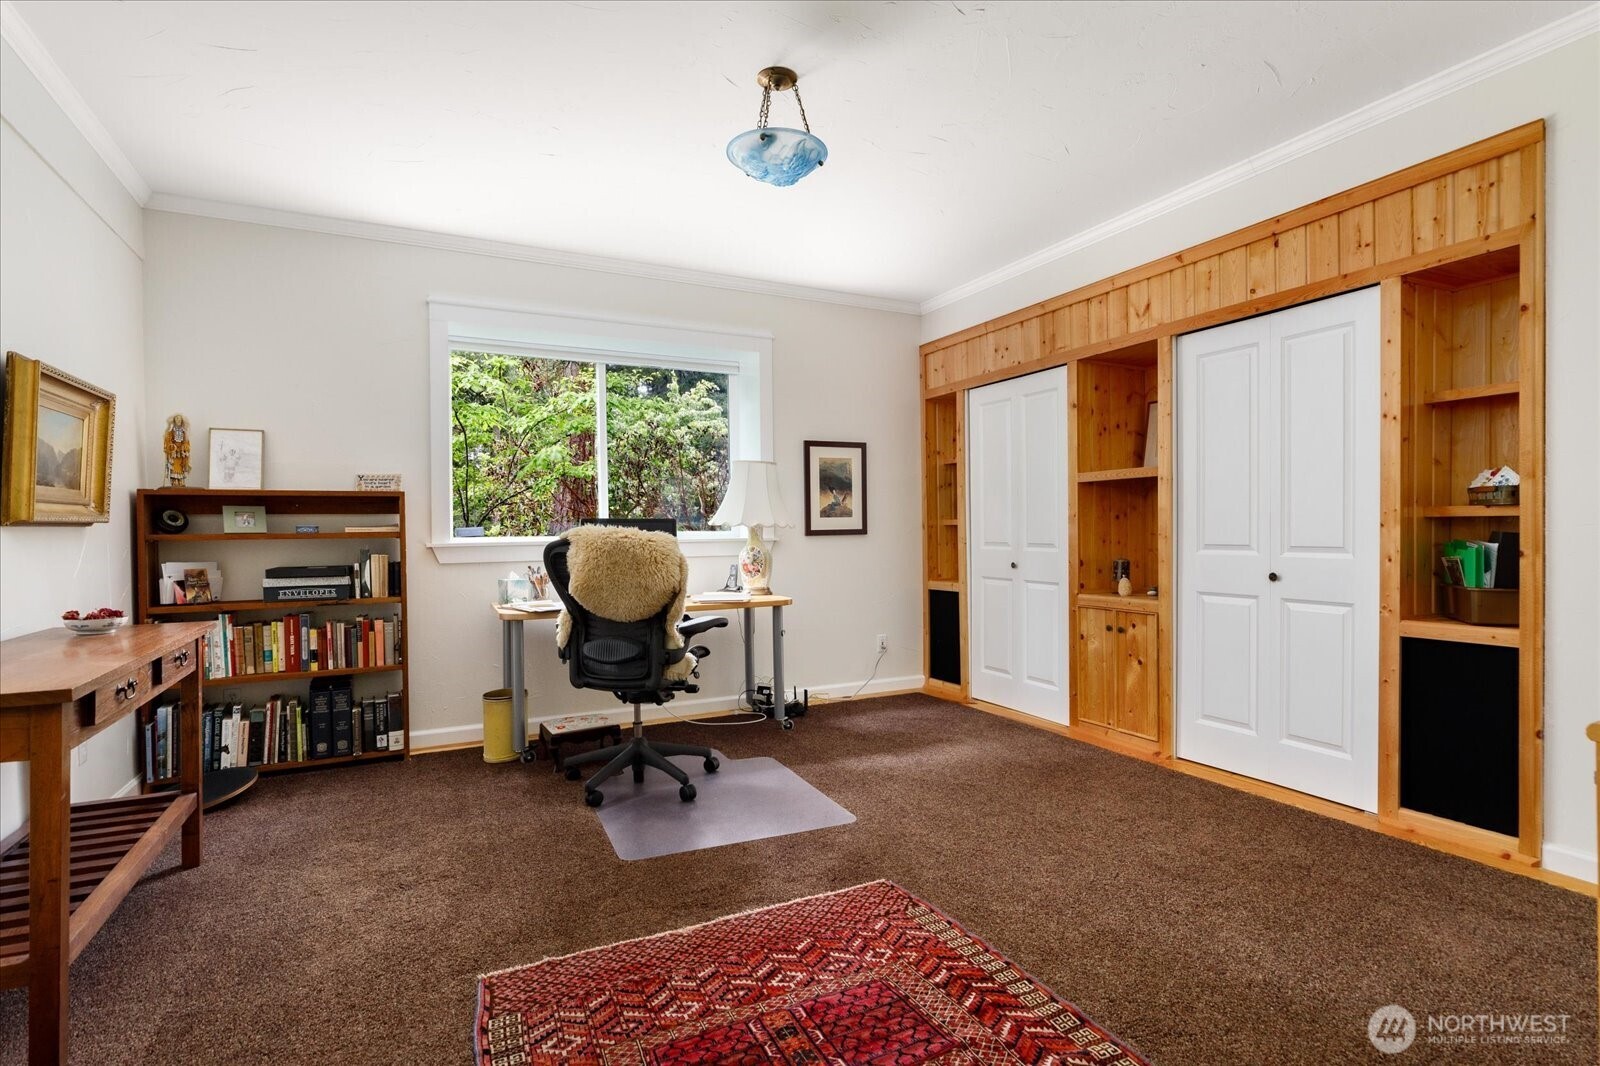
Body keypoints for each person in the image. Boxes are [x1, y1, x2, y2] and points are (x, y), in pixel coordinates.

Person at [163, 414, 191, 486]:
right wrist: (171, 447)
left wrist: (184, 449)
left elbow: (187, 443)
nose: (178, 420)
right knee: (174, 466)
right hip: (174, 453)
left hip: (181, 453)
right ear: (174, 420)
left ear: (182, 421)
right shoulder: (171, 432)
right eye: (177, 418)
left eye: (179, 419)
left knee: (181, 467)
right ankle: (174, 480)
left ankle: (181, 480)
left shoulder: (184, 433)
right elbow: (167, 441)